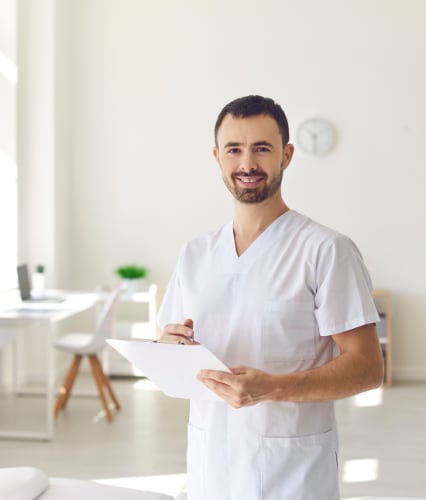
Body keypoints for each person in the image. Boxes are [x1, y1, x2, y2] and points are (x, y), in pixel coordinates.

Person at [158, 95, 384, 500]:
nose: (247, 164)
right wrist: (169, 349)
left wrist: (274, 388)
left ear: (287, 155)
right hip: (211, 466)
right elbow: (168, 346)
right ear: (217, 157)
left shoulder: (326, 250)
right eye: (234, 150)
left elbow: (367, 368)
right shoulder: (195, 254)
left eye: (262, 148)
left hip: (291, 473)